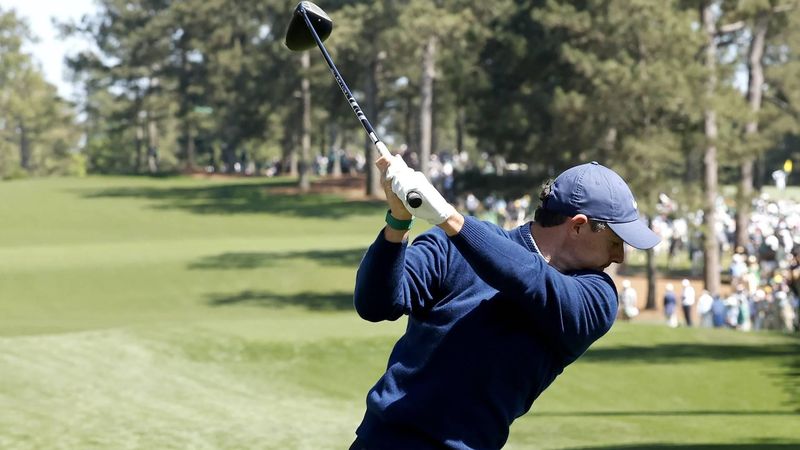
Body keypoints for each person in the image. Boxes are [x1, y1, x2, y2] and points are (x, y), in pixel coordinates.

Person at [351, 159, 660, 449]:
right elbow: (375, 304)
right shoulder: (452, 245)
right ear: (578, 226)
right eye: (615, 241)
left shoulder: (598, 297)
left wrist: (450, 218)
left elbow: (530, 278)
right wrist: (398, 222)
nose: (619, 256)